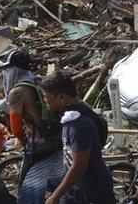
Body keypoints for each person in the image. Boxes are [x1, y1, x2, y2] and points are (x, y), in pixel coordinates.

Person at [0, 50, 64, 203]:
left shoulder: (17, 92)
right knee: (59, 185)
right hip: (57, 140)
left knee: (27, 192)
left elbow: (16, 128)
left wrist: (22, 141)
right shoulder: (40, 81)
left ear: (13, 70)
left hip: (38, 147)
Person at [40, 70, 115, 204]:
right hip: (75, 187)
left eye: (46, 97)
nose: (44, 100)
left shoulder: (78, 124)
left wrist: (55, 196)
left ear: (61, 98)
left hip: (91, 191)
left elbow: (78, 166)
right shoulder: (74, 112)